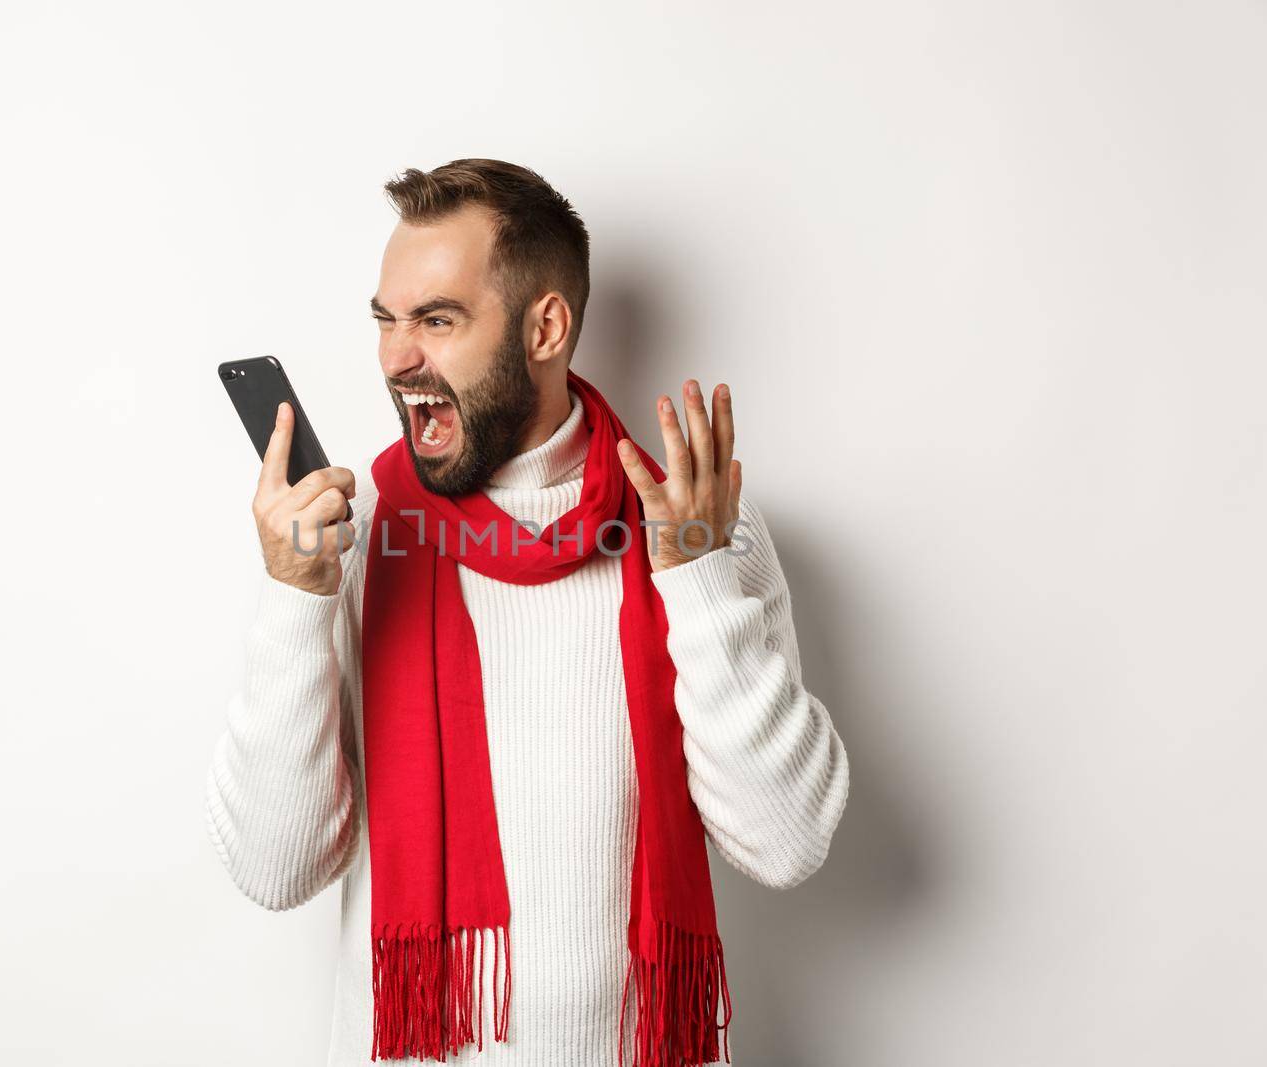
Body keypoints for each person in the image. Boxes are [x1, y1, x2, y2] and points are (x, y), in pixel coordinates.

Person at [204, 158, 850, 1066]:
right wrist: (293, 598)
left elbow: (786, 843)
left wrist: (699, 580)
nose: (396, 357)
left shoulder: (693, 523)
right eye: (387, 320)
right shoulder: (345, 539)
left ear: (545, 325)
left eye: (438, 319)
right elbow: (275, 870)